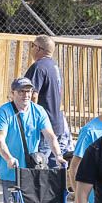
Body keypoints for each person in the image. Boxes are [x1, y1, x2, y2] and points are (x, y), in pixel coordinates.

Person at [0, 77, 62, 203]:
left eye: (28, 91)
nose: (26, 95)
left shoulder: (38, 111)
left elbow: (50, 136)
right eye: (21, 92)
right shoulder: (4, 111)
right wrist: (9, 158)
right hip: (11, 170)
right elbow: (0, 139)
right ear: (12, 94)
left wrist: (58, 155)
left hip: (32, 169)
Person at [24, 35, 70, 163]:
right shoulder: (54, 66)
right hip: (58, 123)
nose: (31, 49)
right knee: (54, 164)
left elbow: (32, 94)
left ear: (39, 49)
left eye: (32, 46)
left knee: (39, 164)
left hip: (44, 124)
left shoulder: (38, 67)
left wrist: (29, 119)